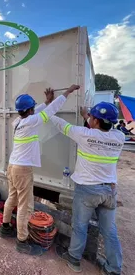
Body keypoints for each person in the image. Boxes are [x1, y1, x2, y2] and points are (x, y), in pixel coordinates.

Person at [0, 84, 80, 256]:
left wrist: (45, 102)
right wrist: (67, 91)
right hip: (22, 169)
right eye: (33, 108)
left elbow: (37, 111)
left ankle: (5, 228)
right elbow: (50, 111)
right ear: (30, 110)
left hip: (12, 166)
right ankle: (21, 241)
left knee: (12, 197)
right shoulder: (31, 121)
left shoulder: (18, 121)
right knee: (25, 206)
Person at [49, 102, 124, 275]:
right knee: (109, 230)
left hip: (88, 190)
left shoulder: (83, 134)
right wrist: (87, 117)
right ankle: (114, 269)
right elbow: (99, 132)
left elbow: (62, 125)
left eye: (91, 117)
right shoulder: (119, 137)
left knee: (80, 226)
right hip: (109, 191)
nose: (88, 118)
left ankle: (74, 259)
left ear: (96, 120)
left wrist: (48, 112)